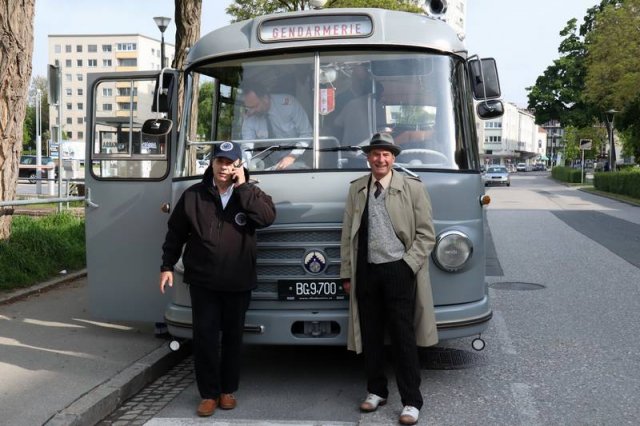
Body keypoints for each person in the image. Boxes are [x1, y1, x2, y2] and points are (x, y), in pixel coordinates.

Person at [159, 141, 276, 417]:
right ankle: (209, 394)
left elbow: (267, 218)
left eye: (230, 162)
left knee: (233, 338)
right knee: (205, 338)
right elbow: (175, 233)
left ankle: (227, 391)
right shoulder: (193, 196)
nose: (224, 167)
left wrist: (244, 187)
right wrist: (166, 266)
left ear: (239, 165)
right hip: (204, 282)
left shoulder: (251, 194)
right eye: (220, 161)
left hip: (238, 282)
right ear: (212, 163)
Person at [340, 132, 437, 426]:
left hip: (398, 270)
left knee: (402, 336)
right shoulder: (357, 189)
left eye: (385, 154)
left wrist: (407, 265)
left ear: (393, 158)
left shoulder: (412, 188)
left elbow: (426, 234)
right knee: (370, 334)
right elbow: (347, 235)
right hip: (366, 271)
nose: (379, 159)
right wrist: (347, 272)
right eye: (374, 154)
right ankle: (376, 390)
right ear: (368, 158)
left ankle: (411, 401)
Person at [241, 82, 313, 170]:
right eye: (248, 107)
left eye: (255, 106)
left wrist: (292, 156)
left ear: (265, 98)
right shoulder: (249, 116)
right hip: (270, 160)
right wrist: (242, 168)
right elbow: (246, 147)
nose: (251, 111)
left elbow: (307, 133)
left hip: (299, 154)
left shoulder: (289, 104)